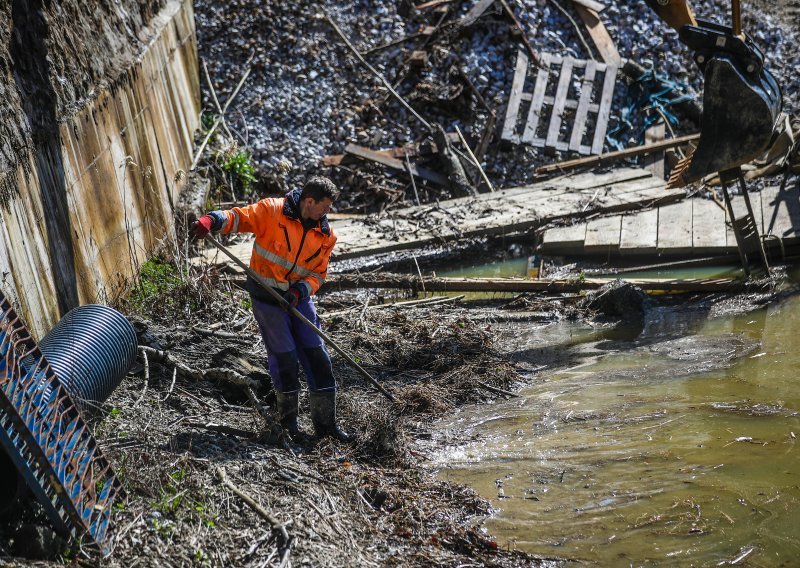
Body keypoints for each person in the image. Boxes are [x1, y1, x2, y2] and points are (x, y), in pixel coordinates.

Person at [191, 176, 351, 442]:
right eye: (325, 207)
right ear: (309, 201)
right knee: (285, 358)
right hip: (266, 296)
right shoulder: (272, 210)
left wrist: (301, 291)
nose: (327, 213)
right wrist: (212, 220)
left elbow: (318, 275)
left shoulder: (326, 235)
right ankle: (288, 427)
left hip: (297, 300)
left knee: (318, 357)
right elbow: (238, 217)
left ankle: (326, 428)